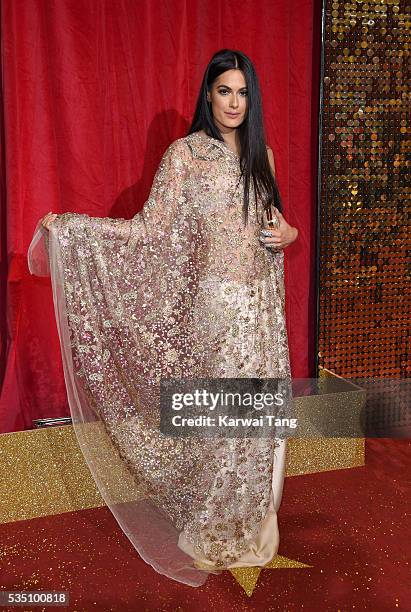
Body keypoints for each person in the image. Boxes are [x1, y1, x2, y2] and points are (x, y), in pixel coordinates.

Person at [28, 49, 298, 587]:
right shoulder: (184, 156)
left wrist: (289, 235)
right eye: (225, 91)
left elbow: (275, 224)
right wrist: (76, 232)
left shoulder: (260, 155)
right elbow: (148, 230)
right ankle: (212, 528)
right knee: (219, 425)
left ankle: (252, 524)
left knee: (259, 421)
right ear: (208, 95)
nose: (234, 103)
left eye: (243, 93)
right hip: (216, 311)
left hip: (263, 311)